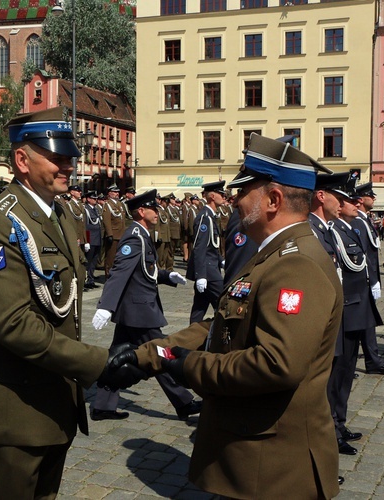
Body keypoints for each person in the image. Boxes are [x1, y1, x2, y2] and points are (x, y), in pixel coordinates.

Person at [112, 133, 341, 498]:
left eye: (243, 190)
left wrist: (188, 366)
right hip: (253, 459)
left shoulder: (296, 264)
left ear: (273, 199)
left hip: (271, 469)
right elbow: (223, 323)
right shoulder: (273, 253)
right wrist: (152, 355)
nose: (233, 198)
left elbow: (277, 364)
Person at [0, 107, 140, 498]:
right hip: (13, 411)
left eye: (70, 157)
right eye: (56, 158)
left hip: (52, 402)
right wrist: (97, 363)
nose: (68, 166)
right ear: (22, 160)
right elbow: (14, 324)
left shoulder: (55, 214)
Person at [90, 189, 201, 421]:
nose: (157, 212)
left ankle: (102, 404)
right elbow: (120, 272)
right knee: (161, 354)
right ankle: (184, 402)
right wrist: (106, 305)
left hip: (135, 309)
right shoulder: (134, 236)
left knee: (117, 357)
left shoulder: (141, 233)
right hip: (139, 310)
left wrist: (165, 276)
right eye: (154, 208)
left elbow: (144, 269)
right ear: (141, 211)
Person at [328, 180, 383, 455]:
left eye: (348, 200)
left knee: (347, 374)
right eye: (346, 200)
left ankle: (339, 421)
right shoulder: (333, 229)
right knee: (337, 376)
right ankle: (332, 429)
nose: (348, 204)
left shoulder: (347, 228)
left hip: (356, 307)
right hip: (346, 310)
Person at [353, 183, 384, 376]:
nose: (374, 199)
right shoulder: (356, 221)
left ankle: (372, 361)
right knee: (360, 323)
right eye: (371, 196)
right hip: (360, 279)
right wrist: (371, 280)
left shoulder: (364, 220)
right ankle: (364, 361)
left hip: (367, 278)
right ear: (362, 199)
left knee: (366, 323)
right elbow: (362, 254)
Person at [187, 181, 225, 324]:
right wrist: (201, 275)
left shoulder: (211, 216)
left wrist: (220, 260)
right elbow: (200, 247)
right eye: (221, 194)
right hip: (208, 271)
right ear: (213, 196)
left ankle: (190, 335)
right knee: (223, 302)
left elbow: (211, 245)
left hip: (211, 265)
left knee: (199, 307)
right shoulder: (205, 218)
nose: (224, 196)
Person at [102, 184, 126, 277]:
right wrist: (109, 234)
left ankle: (117, 274)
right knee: (110, 257)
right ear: (109, 193)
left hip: (121, 234)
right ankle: (109, 275)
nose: (117, 194)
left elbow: (122, 220)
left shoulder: (119, 204)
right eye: (114, 192)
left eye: (117, 192)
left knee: (119, 257)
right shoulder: (107, 205)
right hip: (113, 235)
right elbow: (106, 220)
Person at [83, 191, 102, 289]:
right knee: (88, 261)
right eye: (93, 198)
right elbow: (85, 226)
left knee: (94, 261)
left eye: (96, 198)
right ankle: (85, 280)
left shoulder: (96, 209)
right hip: (91, 238)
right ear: (88, 199)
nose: (95, 200)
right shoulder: (85, 210)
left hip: (97, 238)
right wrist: (86, 241)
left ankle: (91, 279)